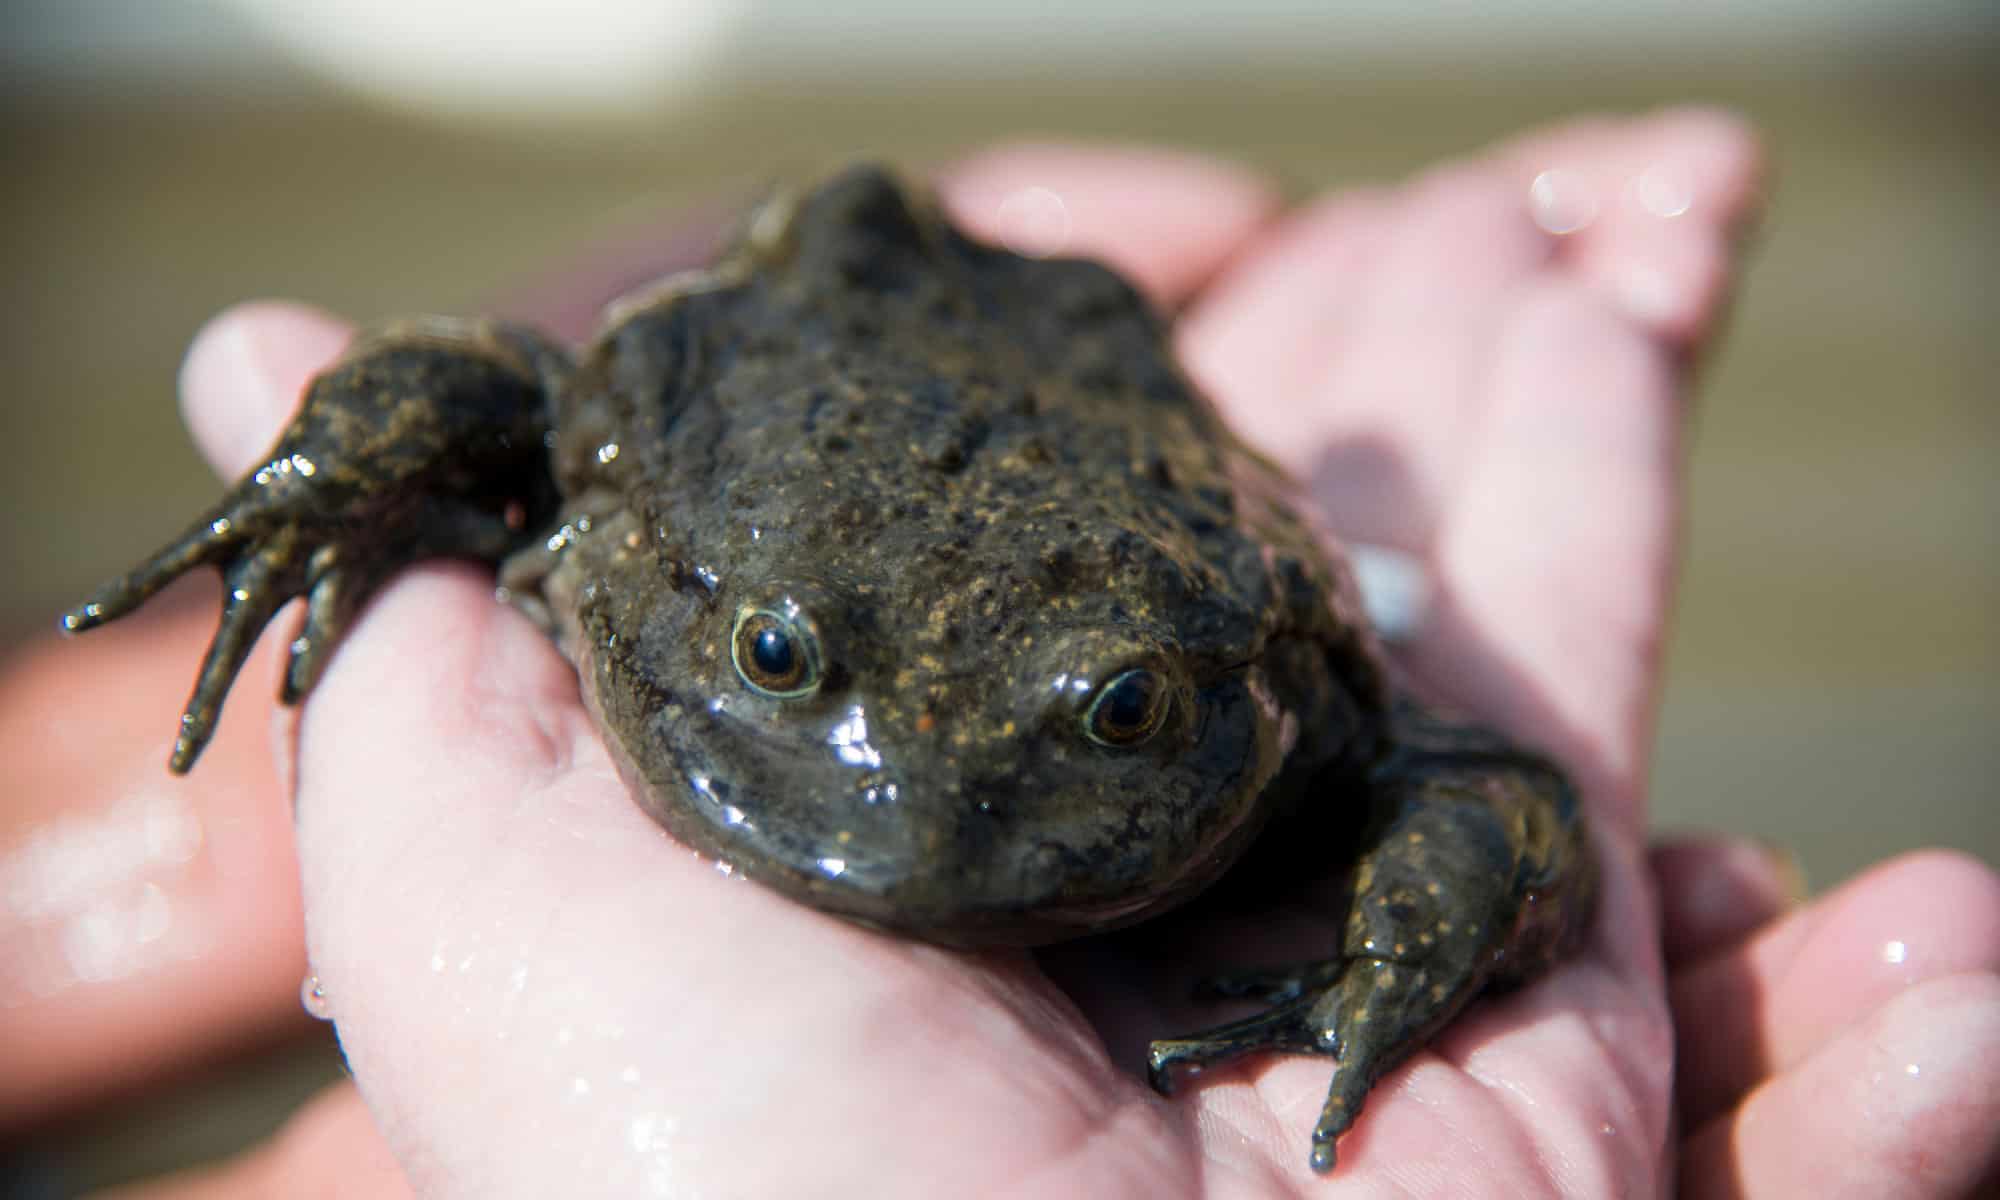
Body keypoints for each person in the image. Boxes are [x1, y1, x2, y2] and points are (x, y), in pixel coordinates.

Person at [6, 115, 1996, 1197]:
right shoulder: (646, 446)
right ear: (660, 569)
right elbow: (490, 384)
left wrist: (1392, 961)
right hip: (801, 409)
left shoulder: (1281, 678)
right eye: (791, 668)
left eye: (1116, 723)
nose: (919, 790)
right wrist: (317, 488)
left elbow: (1500, 801)